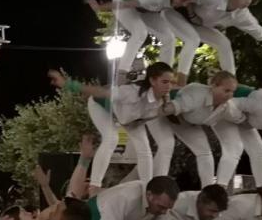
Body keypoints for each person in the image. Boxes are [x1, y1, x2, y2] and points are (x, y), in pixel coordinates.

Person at [49, 64, 177, 191]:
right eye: (164, 82)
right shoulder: (132, 92)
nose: (168, 87)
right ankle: (95, 186)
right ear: (152, 80)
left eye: (171, 82)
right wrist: (68, 84)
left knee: (144, 148)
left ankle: (147, 189)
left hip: (128, 120)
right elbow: (101, 92)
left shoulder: (164, 102)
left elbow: (146, 118)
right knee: (112, 138)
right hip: (100, 105)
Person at [85, 0, 200, 80]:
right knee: (140, 32)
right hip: (124, 4)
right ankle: (121, 73)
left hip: (146, 10)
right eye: (183, 0)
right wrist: (100, 8)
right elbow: (126, 4)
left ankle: (165, 75)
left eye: (188, 1)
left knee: (169, 37)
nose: (184, 4)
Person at [168, 73, 240, 187]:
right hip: (168, 117)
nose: (229, 95)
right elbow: (171, 107)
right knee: (165, 146)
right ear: (214, 86)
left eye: (232, 92)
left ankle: (208, 190)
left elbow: (239, 118)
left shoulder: (226, 106)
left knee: (205, 153)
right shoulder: (196, 93)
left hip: (190, 124)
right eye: (226, 91)